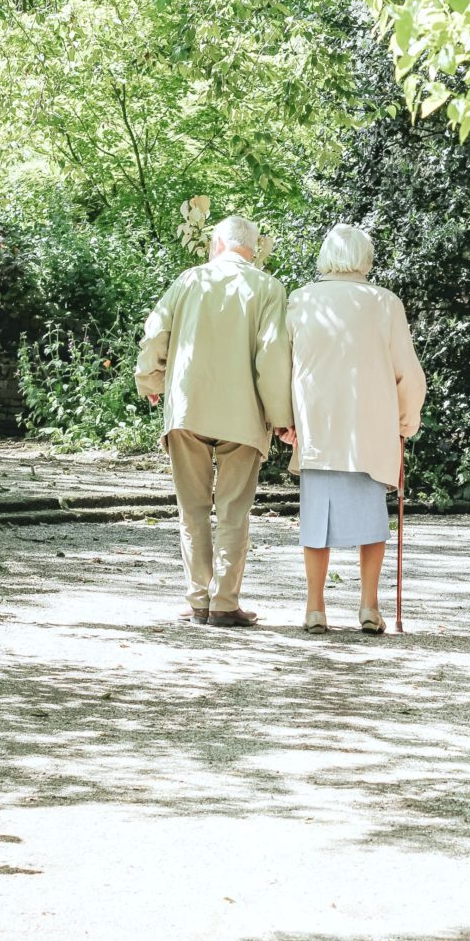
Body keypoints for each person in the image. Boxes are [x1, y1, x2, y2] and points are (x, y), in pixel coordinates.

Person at [135, 214, 293, 628]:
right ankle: (224, 603)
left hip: (189, 408)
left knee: (192, 508)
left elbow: (155, 335)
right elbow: (273, 357)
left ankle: (198, 599)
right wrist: (281, 417)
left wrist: (149, 379)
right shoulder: (269, 288)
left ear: (217, 244)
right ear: (253, 249)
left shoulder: (189, 281)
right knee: (233, 511)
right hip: (243, 415)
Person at [281, 223, 426, 635]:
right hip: (370, 428)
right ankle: (368, 606)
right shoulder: (384, 303)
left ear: (326, 256)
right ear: (366, 258)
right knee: (371, 521)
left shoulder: (301, 300)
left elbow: (282, 366)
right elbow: (409, 373)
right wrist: (406, 419)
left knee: (315, 522)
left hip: (318, 426)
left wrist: (284, 420)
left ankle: (314, 608)